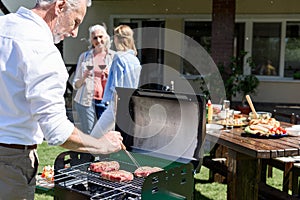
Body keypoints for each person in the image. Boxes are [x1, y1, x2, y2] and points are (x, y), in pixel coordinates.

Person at [0, 0, 123, 199]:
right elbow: (57, 131)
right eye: (75, 22)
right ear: (60, 6)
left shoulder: (3, 25)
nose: (74, 33)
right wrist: (101, 145)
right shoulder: (43, 50)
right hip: (9, 161)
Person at [91, 25, 142, 138]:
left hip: (117, 106)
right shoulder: (135, 60)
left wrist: (115, 112)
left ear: (117, 39)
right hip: (131, 105)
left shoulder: (118, 57)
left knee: (94, 137)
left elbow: (117, 88)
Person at [72, 24, 115, 134]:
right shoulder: (84, 57)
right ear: (91, 40)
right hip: (86, 101)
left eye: (101, 37)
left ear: (106, 38)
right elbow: (75, 84)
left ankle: (103, 152)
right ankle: (88, 152)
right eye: (95, 38)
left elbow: (118, 82)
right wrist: (84, 77)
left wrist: (109, 76)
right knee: (89, 133)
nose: (98, 40)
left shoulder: (113, 57)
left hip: (106, 101)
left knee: (105, 133)